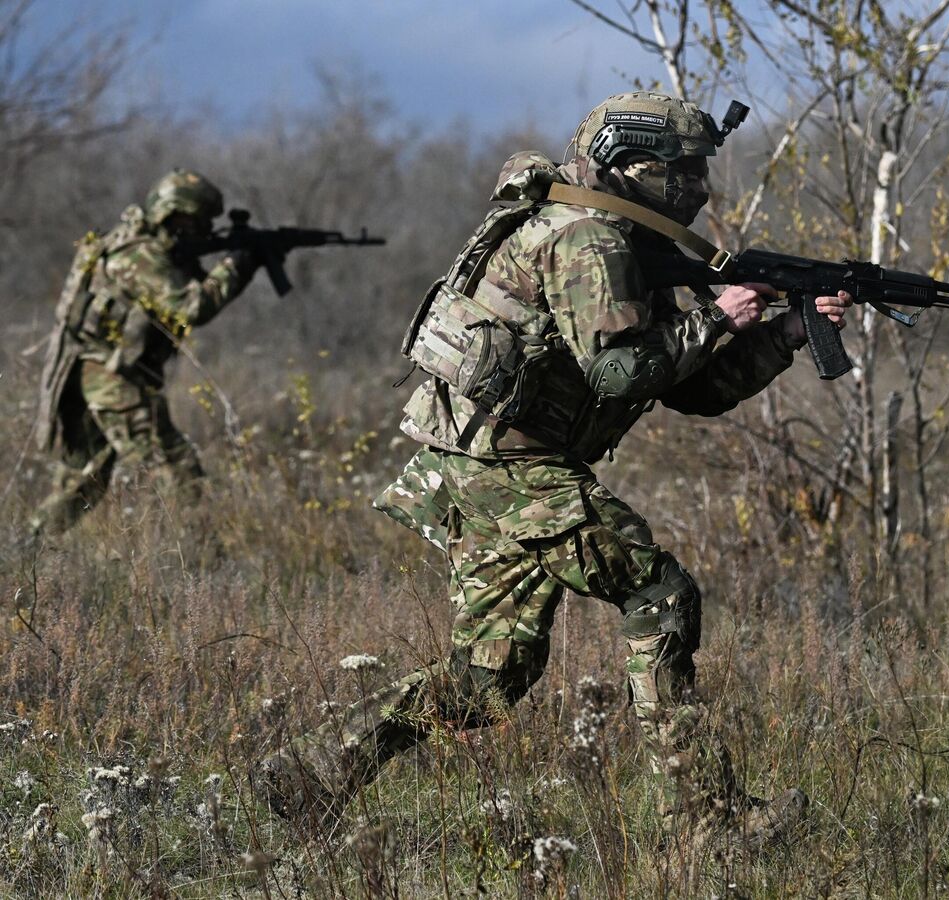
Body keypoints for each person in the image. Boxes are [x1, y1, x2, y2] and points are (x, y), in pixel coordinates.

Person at [257, 92, 852, 848]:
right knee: (659, 594)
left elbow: (694, 389)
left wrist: (787, 331)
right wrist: (718, 318)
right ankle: (709, 823)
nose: (699, 185)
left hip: (485, 460)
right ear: (633, 165)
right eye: (686, 169)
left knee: (486, 681)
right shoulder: (589, 240)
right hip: (508, 462)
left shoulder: (619, 237)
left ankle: (308, 773)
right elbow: (619, 375)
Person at [30, 169, 257, 536]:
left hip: (97, 373)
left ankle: (30, 549)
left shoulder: (149, 248)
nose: (203, 228)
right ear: (173, 213)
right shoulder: (138, 254)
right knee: (176, 469)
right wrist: (238, 264)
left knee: (86, 477)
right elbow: (193, 306)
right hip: (110, 375)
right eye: (196, 219)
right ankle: (203, 563)